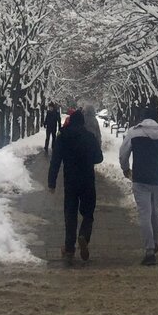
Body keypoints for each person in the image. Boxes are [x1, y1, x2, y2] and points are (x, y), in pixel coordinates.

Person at [119, 102, 158, 266]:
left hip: (140, 179)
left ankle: (149, 250)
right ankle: (155, 242)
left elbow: (123, 154)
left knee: (144, 213)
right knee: (156, 212)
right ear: (156, 118)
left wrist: (126, 169)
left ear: (143, 118)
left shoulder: (133, 133)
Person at [48, 108, 103, 264]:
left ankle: (69, 248)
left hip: (70, 181)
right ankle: (84, 236)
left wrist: (51, 182)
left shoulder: (63, 137)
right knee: (88, 213)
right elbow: (99, 158)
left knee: (70, 214)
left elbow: (55, 161)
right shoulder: (89, 137)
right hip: (87, 180)